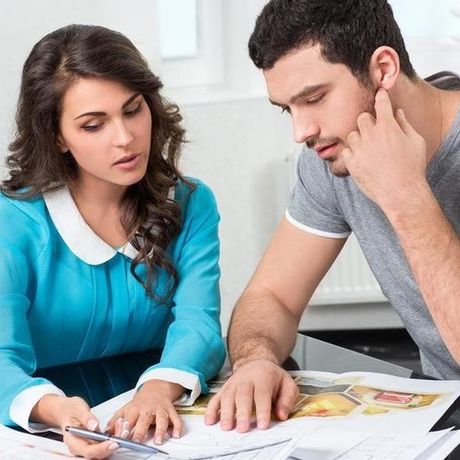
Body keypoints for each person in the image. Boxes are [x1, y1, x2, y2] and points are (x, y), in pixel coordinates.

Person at [204, 0, 460, 434]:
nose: (300, 131)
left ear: (383, 69)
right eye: (288, 108)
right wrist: (256, 361)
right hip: (444, 409)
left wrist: (406, 195)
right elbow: (272, 295)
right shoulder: (331, 156)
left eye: (315, 98)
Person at [0, 24, 225, 459]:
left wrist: (157, 390)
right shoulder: (11, 222)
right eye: (93, 125)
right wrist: (55, 410)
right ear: (57, 136)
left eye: (133, 109)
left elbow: (199, 324)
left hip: (151, 423)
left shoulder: (191, 202)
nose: (125, 138)